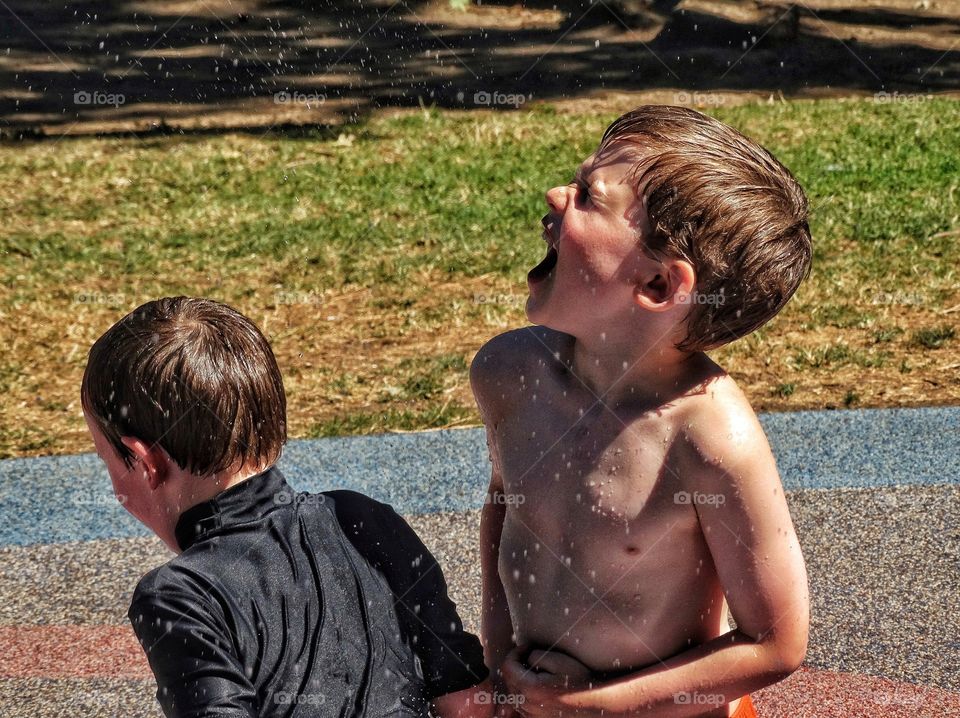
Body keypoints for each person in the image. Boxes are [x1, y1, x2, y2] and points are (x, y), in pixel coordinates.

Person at [471, 105, 811, 717]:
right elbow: (504, 512)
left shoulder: (708, 437)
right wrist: (501, 668)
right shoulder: (507, 375)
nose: (555, 195)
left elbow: (776, 642)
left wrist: (590, 709)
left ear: (657, 286)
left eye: (586, 196)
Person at [81, 296, 490, 717]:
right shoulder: (362, 520)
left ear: (146, 462)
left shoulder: (182, 596)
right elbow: (467, 703)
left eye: (104, 459)